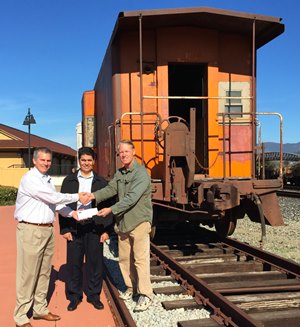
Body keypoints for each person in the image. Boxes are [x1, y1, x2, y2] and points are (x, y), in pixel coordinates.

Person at [13, 147, 90, 327]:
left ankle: (40, 309)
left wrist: (72, 213)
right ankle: (21, 316)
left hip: (47, 229)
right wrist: (77, 196)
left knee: (44, 272)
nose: (46, 163)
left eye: (48, 160)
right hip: (31, 230)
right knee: (28, 274)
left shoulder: (46, 179)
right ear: (34, 161)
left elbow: (55, 204)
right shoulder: (30, 179)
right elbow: (53, 197)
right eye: (43, 160)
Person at [89, 140, 153, 312]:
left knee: (140, 260)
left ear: (133, 152)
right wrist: (92, 196)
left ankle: (145, 294)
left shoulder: (141, 173)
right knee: (124, 259)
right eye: (121, 152)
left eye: (126, 151)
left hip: (139, 221)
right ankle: (130, 288)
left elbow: (131, 198)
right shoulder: (120, 173)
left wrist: (111, 209)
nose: (123, 154)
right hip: (124, 223)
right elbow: (110, 190)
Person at [58, 147, 113, 311]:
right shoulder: (69, 181)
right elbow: (62, 205)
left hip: (95, 227)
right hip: (75, 227)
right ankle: (74, 296)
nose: (86, 163)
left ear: (94, 162)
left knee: (95, 263)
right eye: (83, 160)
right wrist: (65, 229)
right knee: (74, 263)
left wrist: (106, 231)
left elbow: (108, 207)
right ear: (79, 161)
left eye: (89, 160)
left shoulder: (102, 182)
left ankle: (94, 295)